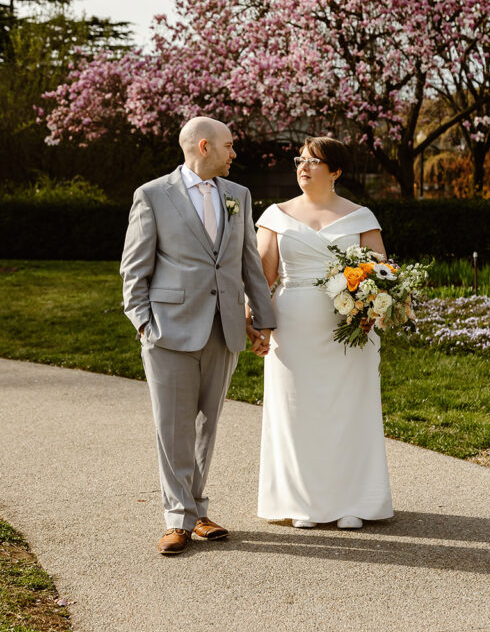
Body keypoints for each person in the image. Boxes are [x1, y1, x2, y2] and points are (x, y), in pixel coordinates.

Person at [121, 116, 276, 555]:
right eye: (229, 146)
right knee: (174, 427)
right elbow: (134, 269)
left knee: (208, 424)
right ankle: (178, 519)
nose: (234, 154)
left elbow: (248, 261)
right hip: (168, 329)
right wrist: (143, 324)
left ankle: (195, 510)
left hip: (224, 327)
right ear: (204, 147)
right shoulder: (152, 195)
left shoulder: (238, 196)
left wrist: (262, 320)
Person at [252, 136, 393, 530]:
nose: (304, 167)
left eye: (314, 161)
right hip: (293, 328)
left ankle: (352, 501)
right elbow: (262, 278)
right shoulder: (276, 216)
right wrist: (256, 322)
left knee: (349, 410)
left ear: (336, 172)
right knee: (296, 411)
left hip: (349, 330)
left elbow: (381, 273)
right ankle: (302, 503)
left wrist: (369, 307)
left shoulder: (361, 217)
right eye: (300, 159)